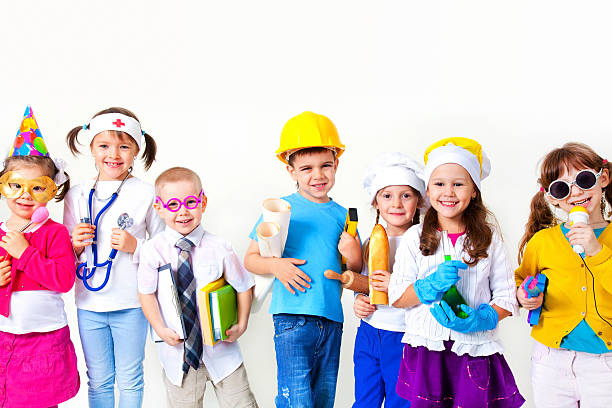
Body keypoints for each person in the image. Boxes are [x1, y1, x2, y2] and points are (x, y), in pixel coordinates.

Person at [388, 137, 524, 408]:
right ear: (427, 190)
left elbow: (507, 297)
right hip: (427, 352)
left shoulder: (490, 237)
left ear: (474, 190)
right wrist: (427, 286)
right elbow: (397, 298)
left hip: (474, 351)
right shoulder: (414, 238)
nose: (448, 192)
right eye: (439, 184)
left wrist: (481, 319)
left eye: (458, 184)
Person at [244, 111, 362, 408]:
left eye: (326, 165)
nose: (318, 175)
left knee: (323, 399)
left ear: (337, 164)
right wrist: (276, 266)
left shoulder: (344, 216)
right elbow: (251, 259)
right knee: (296, 399)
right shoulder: (280, 210)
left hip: (332, 319)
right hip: (292, 317)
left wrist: (353, 253)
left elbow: (355, 272)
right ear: (291, 170)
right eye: (306, 168)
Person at [64, 107, 164, 407]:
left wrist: (136, 246)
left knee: (131, 378)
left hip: (132, 303)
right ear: (91, 148)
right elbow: (64, 255)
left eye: (124, 146)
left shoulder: (147, 193)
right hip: (89, 303)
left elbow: (163, 249)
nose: (114, 154)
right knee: (98, 379)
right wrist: (76, 244)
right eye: (104, 145)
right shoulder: (76, 195)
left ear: (136, 151)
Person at [138, 167, 258, 408]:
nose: (183, 211)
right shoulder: (153, 250)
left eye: (190, 202)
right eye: (173, 205)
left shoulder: (219, 246)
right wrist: (160, 329)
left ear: (203, 202)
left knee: (242, 403)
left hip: (223, 353)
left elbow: (244, 286)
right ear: (159, 208)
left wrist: (242, 323)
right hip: (178, 355)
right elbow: (146, 294)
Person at [516, 142, 612, 408]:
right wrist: (525, 296)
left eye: (584, 179)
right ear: (552, 197)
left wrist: (596, 250)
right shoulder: (543, 241)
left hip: (606, 362)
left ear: (603, 178)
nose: (576, 192)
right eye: (562, 187)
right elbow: (522, 280)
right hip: (551, 361)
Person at [0, 106, 79, 407]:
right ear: (4, 187)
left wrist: (25, 252)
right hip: (3, 336)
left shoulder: (54, 232)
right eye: (15, 185)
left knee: (41, 400)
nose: (25, 195)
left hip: (43, 339)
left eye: (37, 188)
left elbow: (62, 280)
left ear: (51, 191)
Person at [352, 152, 426, 408]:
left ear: (419, 200)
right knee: (365, 400)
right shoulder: (369, 243)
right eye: (387, 195)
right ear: (376, 202)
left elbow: (426, 290)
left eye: (406, 195)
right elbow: (363, 283)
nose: (396, 203)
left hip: (405, 336)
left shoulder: (424, 244)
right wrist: (359, 301)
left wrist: (395, 284)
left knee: (401, 402)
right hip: (370, 333)